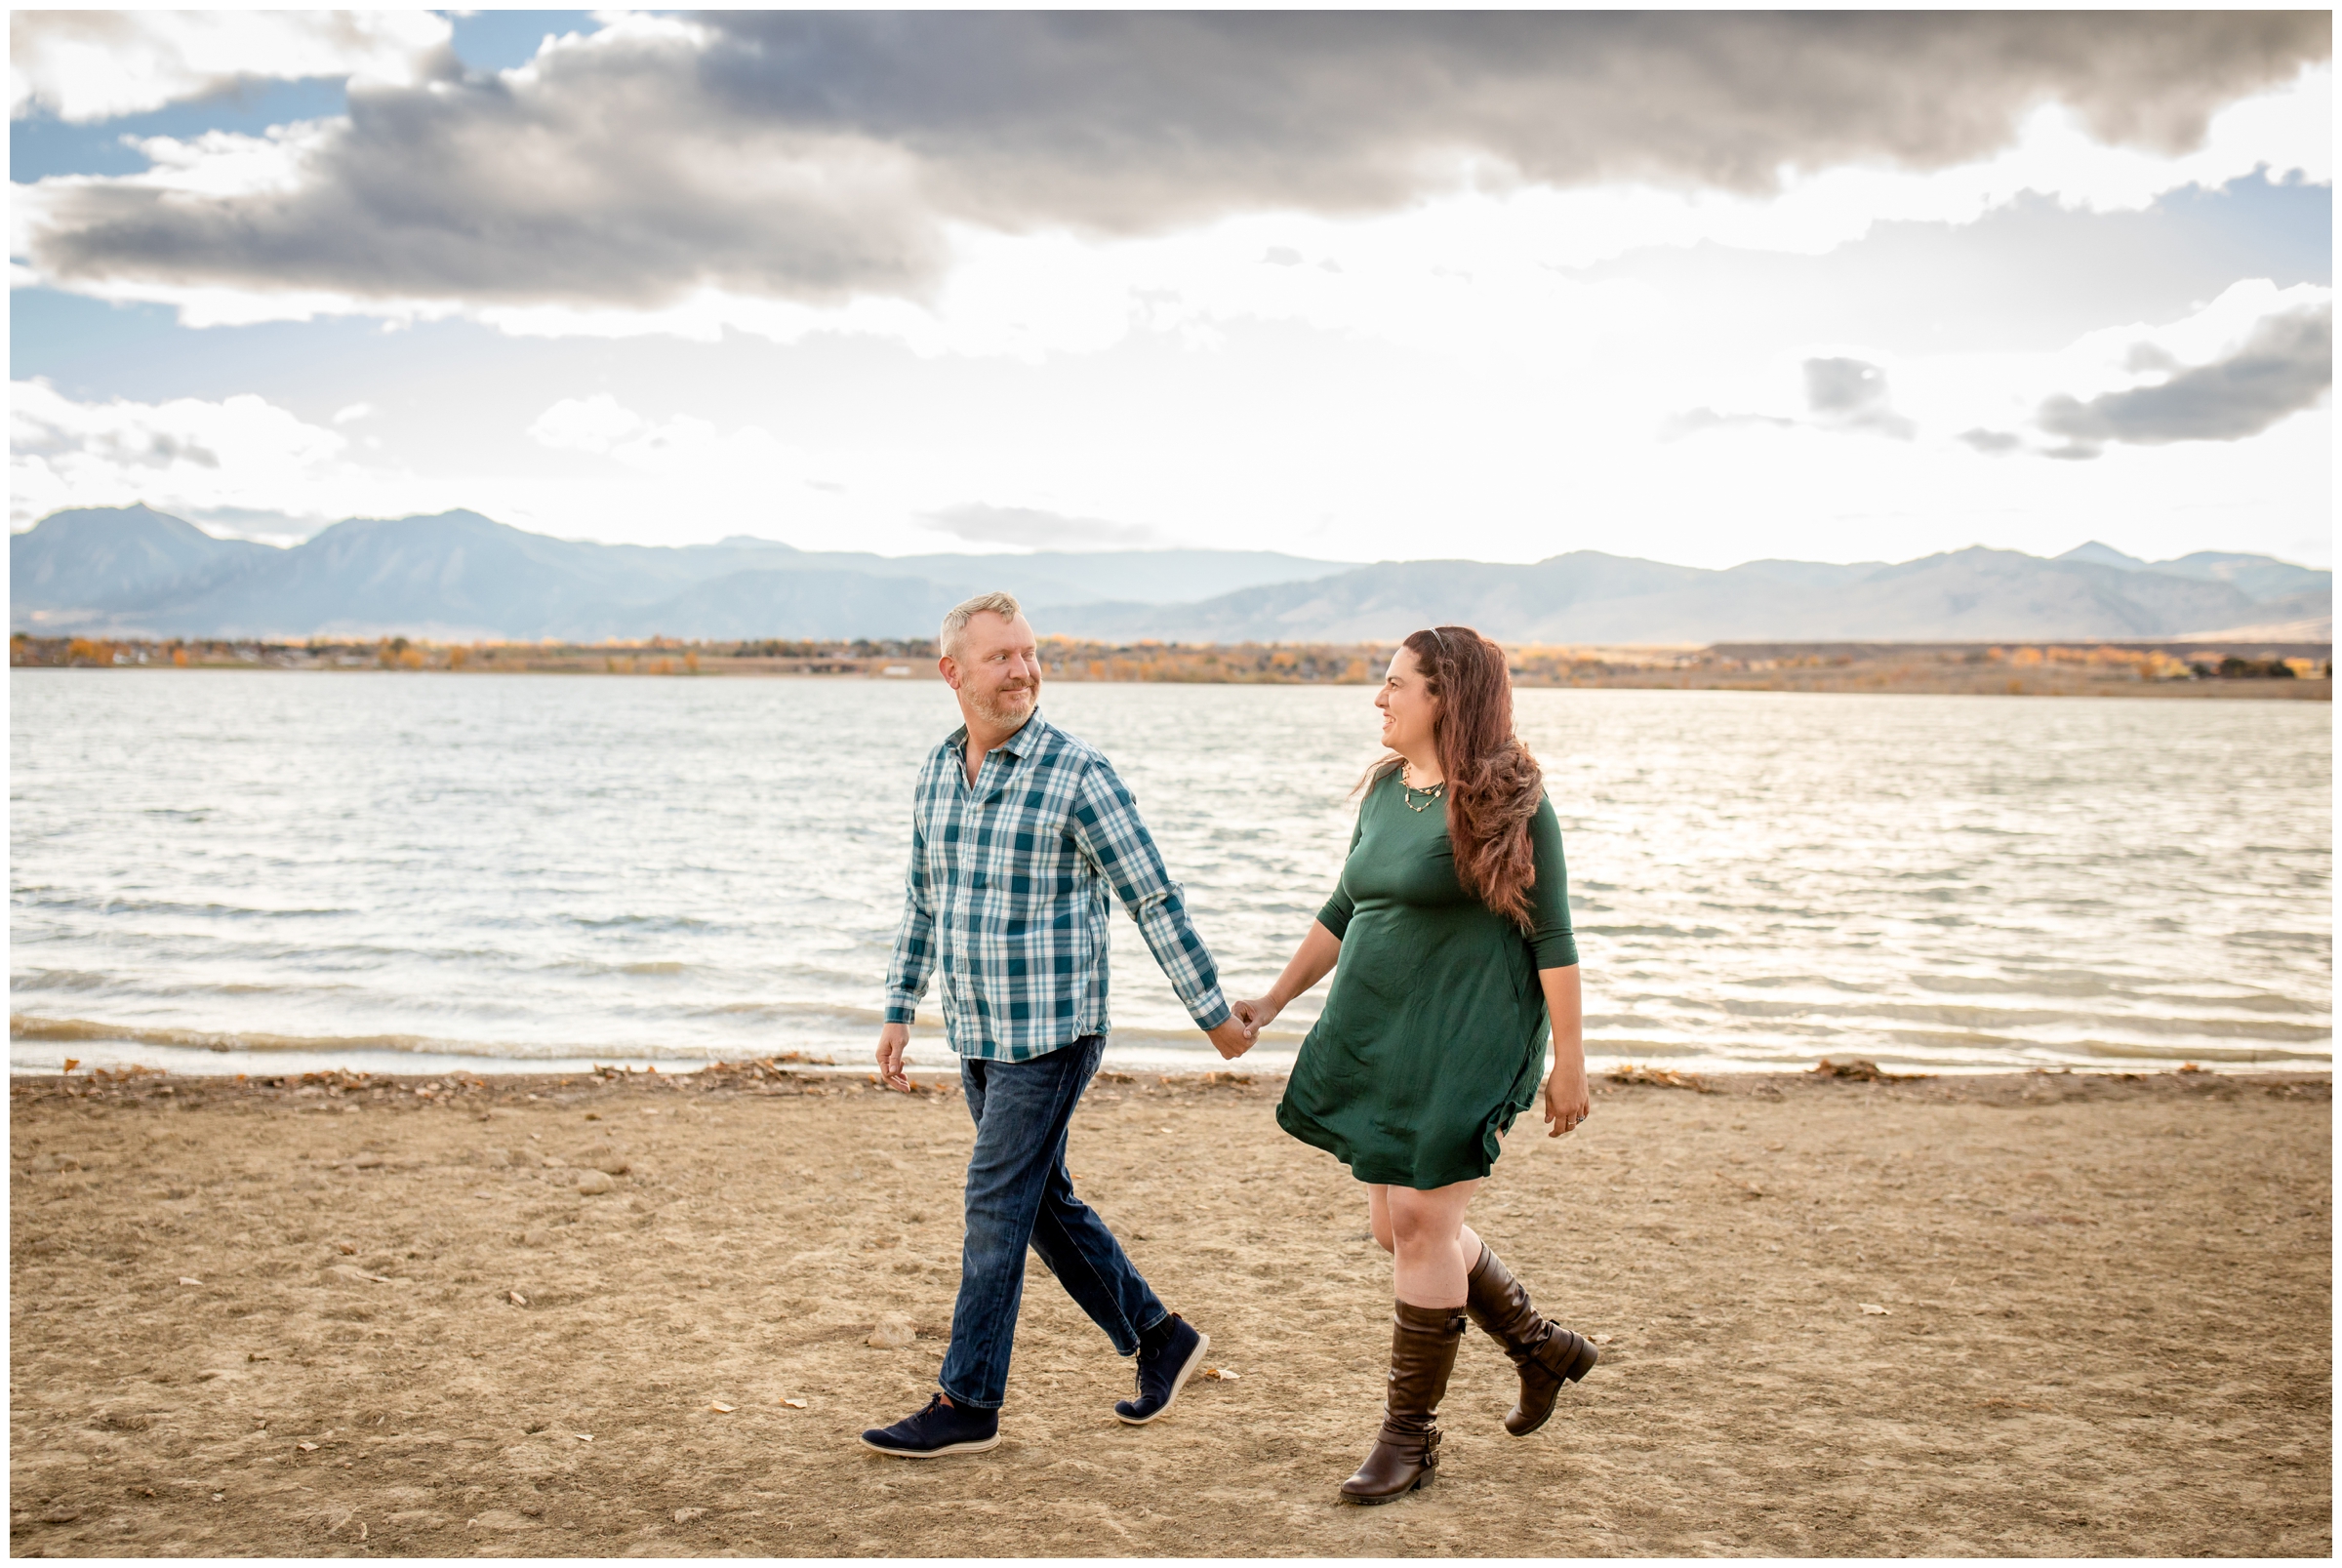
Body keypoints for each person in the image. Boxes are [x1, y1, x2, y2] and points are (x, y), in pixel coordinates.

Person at [861, 590, 1257, 1459]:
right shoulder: (936, 772)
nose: (1024, 669)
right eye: (1003, 656)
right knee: (1040, 1202)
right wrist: (900, 1006)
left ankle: (967, 1399)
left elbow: (1151, 894)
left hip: (1053, 1028)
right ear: (953, 672)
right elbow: (924, 900)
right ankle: (1162, 1338)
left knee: (994, 1201)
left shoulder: (1078, 773)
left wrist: (1213, 1014)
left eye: (1030, 652)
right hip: (977, 1027)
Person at [1230, 624, 1595, 1504]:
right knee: (1395, 1231)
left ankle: (1409, 1440)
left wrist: (1572, 1061)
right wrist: (1274, 1001)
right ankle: (1539, 1344)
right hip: (1386, 1032)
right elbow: (1345, 903)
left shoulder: (1514, 799)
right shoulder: (1388, 791)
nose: (1381, 698)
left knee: (1426, 1227)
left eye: (1397, 683)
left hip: (1473, 1034)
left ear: (1447, 696)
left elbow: (1555, 938)